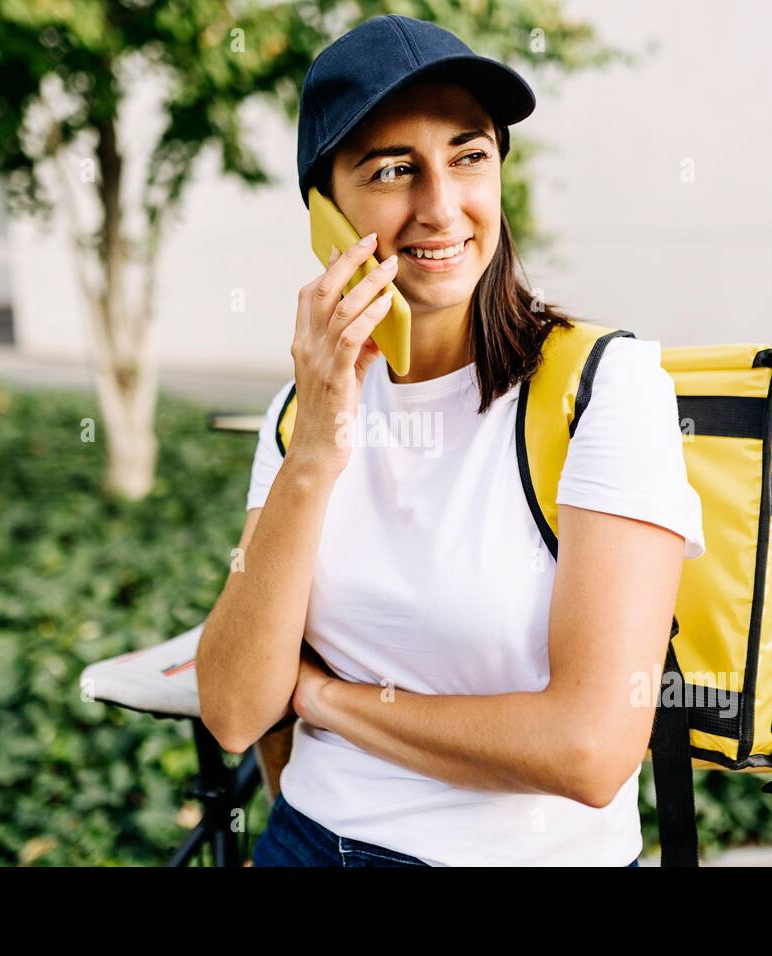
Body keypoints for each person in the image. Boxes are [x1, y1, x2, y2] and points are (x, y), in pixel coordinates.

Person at [196, 14, 704, 868]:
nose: (440, 207)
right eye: (393, 170)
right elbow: (237, 707)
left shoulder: (605, 390)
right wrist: (317, 451)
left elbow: (589, 748)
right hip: (308, 844)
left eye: (468, 156)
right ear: (325, 213)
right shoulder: (300, 411)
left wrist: (320, 697)